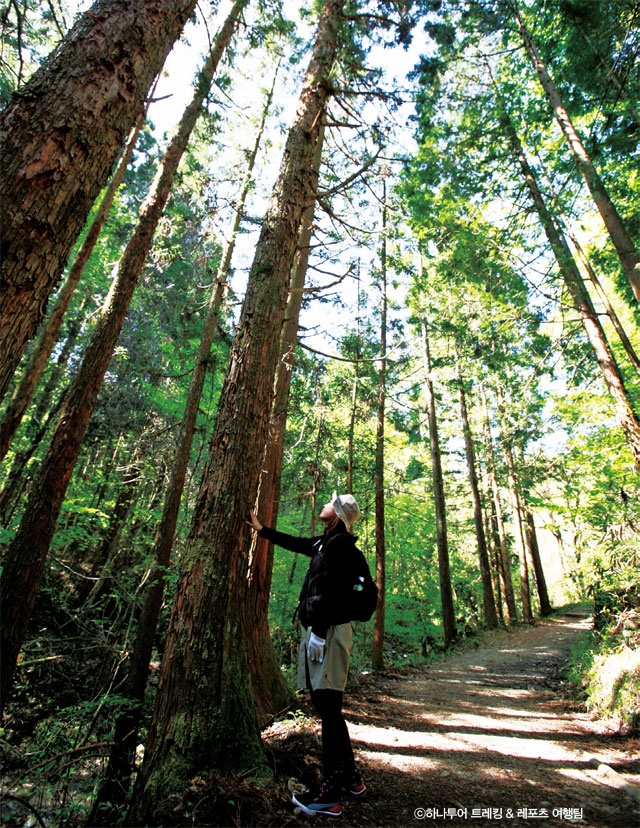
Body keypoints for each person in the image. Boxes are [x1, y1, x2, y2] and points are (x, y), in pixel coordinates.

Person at [247, 491, 366, 818]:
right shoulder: (325, 542)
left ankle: (330, 793)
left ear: (338, 514)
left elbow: (336, 593)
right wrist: (262, 530)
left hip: (328, 633)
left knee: (329, 708)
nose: (324, 505)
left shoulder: (341, 547)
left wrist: (317, 631)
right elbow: (298, 543)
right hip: (321, 632)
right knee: (327, 706)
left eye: (331, 503)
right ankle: (351, 777)